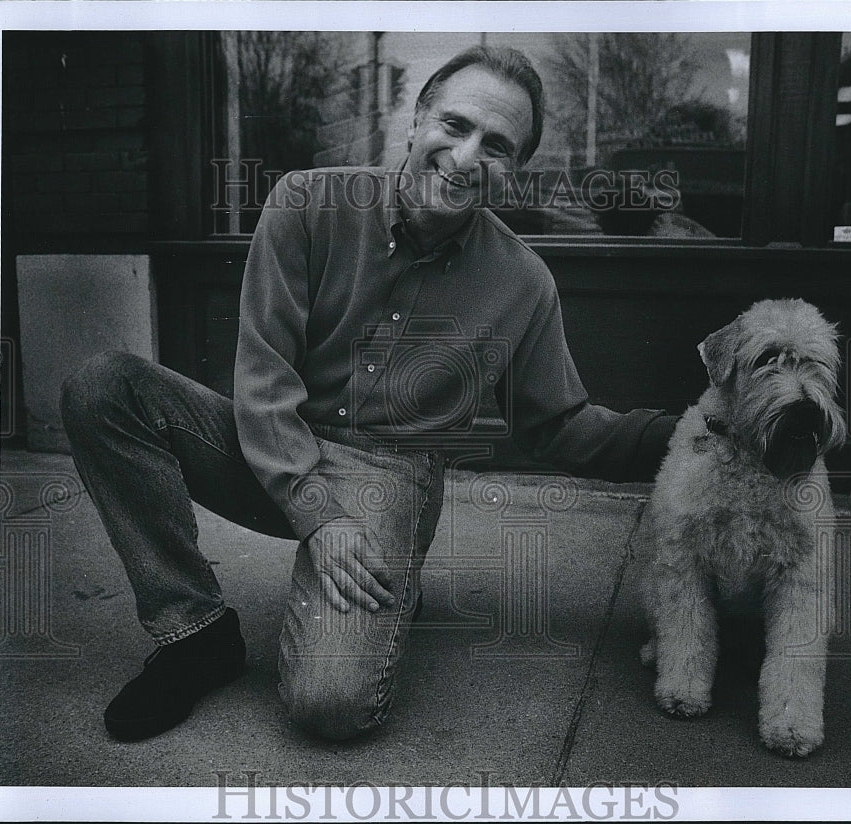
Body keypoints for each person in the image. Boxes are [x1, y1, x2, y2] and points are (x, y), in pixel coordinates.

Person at [61, 45, 677, 743]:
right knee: (104, 388)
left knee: (332, 706)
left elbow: (560, 427)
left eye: (497, 146)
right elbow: (264, 376)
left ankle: (391, 581)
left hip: (389, 475)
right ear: (416, 120)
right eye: (455, 124)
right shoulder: (306, 202)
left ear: (514, 174)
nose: (467, 155)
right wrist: (318, 515)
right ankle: (194, 631)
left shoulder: (523, 282)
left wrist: (685, 436)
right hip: (275, 439)